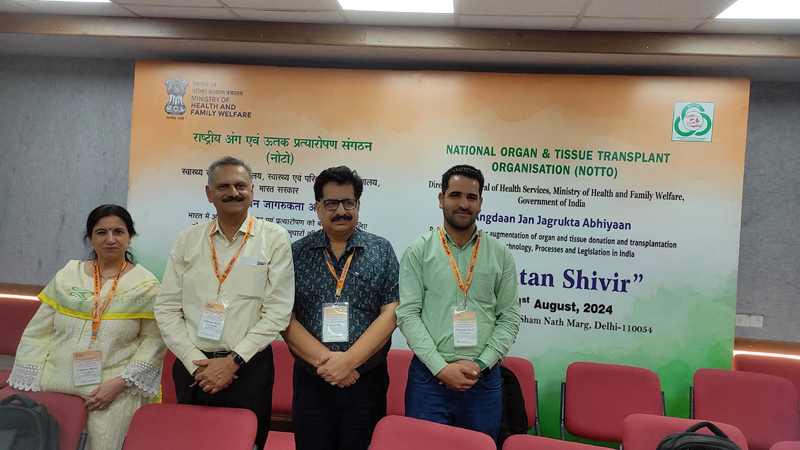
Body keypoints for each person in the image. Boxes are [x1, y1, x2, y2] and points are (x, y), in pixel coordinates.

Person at [154, 156, 294, 450]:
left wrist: (233, 362)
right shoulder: (188, 239)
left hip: (248, 368)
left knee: (244, 444)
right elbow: (166, 308)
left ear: (252, 190)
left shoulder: (274, 239)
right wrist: (195, 363)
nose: (233, 192)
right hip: (193, 368)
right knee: (191, 444)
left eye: (240, 185)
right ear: (209, 193)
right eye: (223, 186)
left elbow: (278, 312)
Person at [8, 204, 165, 450]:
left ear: (130, 237)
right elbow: (38, 333)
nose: (110, 239)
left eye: (118, 232)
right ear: (90, 239)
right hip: (55, 388)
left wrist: (121, 383)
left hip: (111, 395)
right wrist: (33, 385)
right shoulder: (68, 276)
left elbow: (154, 341)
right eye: (101, 232)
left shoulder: (146, 285)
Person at [396, 164, 521, 441]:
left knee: (478, 446)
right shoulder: (419, 250)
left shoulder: (500, 254)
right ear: (441, 199)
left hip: (482, 381)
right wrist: (441, 367)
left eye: (471, 197)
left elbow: (510, 317)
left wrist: (482, 365)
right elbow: (408, 314)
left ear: (480, 203)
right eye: (455, 195)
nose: (463, 204)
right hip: (428, 379)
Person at [282, 166, 399, 450]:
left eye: (348, 202)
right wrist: (329, 363)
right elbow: (285, 317)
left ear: (358, 205)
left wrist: (349, 362)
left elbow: (391, 312)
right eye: (331, 203)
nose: (341, 211)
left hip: (365, 382)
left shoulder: (381, 251)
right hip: (312, 383)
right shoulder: (296, 253)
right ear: (318, 208)